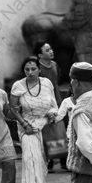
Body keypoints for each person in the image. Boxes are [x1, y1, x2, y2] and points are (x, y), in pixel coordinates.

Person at [9, 56, 58, 183]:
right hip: (27, 126)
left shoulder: (47, 83)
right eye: (27, 69)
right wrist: (25, 124)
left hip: (44, 124)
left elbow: (53, 104)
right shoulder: (18, 86)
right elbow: (13, 108)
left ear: (39, 70)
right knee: (31, 157)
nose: (30, 72)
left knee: (42, 159)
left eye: (33, 69)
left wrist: (52, 114)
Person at [35, 42, 67, 171]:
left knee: (61, 131)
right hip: (44, 104)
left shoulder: (54, 65)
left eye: (51, 49)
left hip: (57, 101)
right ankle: (50, 162)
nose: (51, 51)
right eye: (47, 50)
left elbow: (57, 80)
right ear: (40, 55)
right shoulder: (37, 69)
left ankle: (64, 161)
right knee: (48, 132)